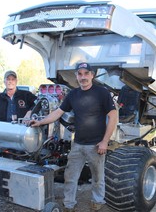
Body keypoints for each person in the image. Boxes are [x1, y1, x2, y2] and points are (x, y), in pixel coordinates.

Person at [30, 62, 117, 212]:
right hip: (77, 144)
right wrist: (40, 122)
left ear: (92, 75)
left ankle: (97, 201)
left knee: (97, 177)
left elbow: (113, 116)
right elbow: (58, 112)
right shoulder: (73, 94)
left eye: (86, 73)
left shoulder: (102, 93)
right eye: (80, 74)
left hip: (96, 145)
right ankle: (69, 204)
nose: (83, 77)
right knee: (70, 177)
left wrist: (105, 141)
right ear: (76, 76)